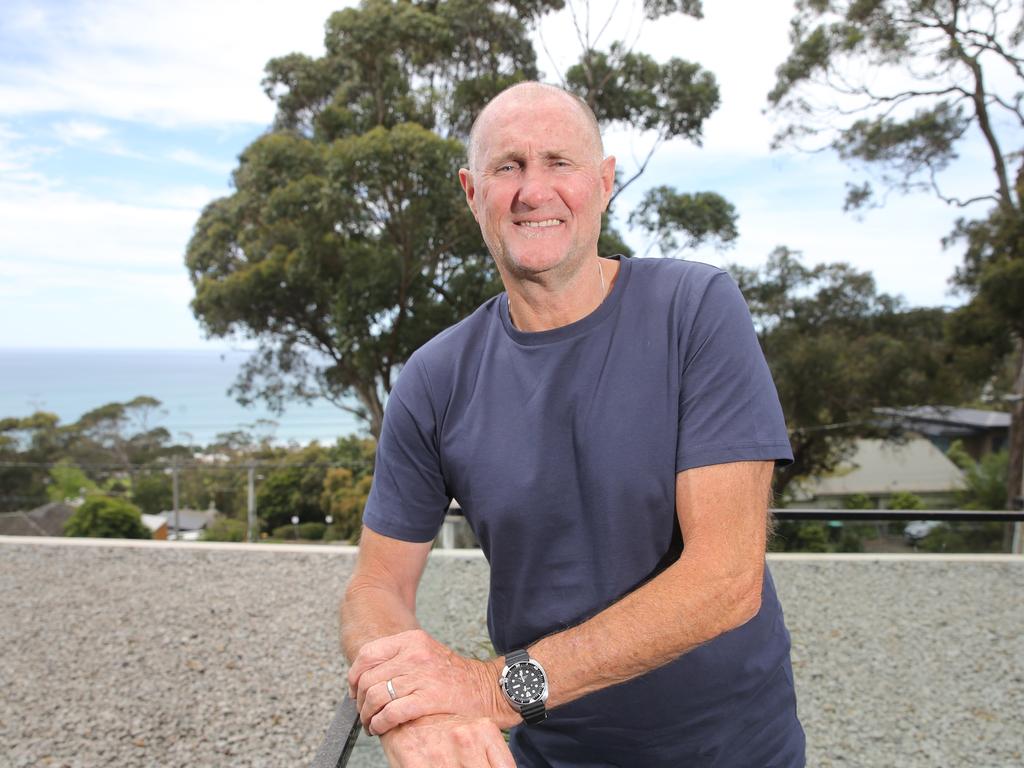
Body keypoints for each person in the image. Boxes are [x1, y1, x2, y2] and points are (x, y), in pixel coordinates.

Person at [341, 81, 805, 767]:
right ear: (472, 193)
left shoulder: (694, 309)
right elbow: (375, 588)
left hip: (735, 753)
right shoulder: (435, 378)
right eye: (509, 167)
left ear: (604, 182)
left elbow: (725, 579)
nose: (535, 191)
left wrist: (488, 690)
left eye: (560, 162)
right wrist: (404, 708)